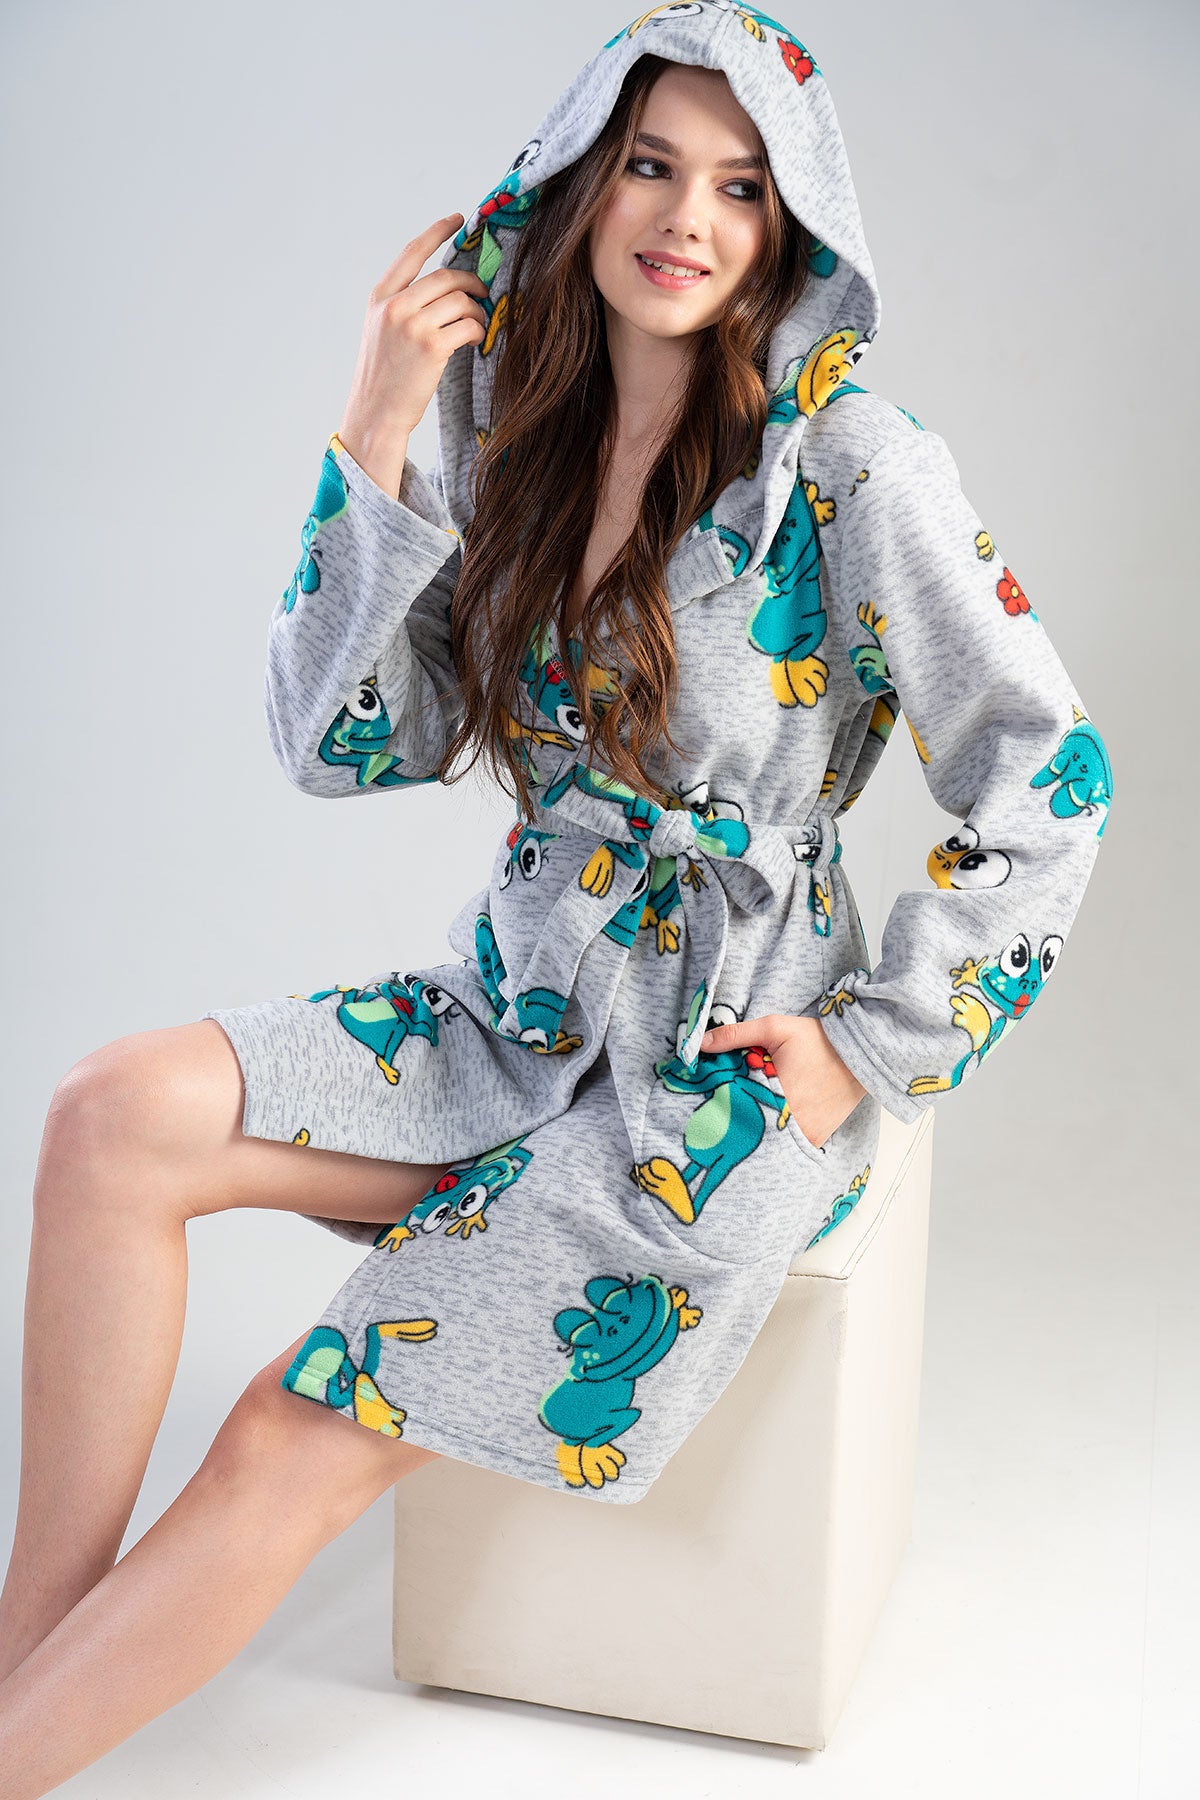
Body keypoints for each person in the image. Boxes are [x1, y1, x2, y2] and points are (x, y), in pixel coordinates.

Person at [0, 4, 1113, 1788]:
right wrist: (373, 429)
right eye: (655, 166)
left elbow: (1052, 774)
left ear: (794, 229)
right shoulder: (504, 418)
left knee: (289, 1429)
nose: (688, 219)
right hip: (521, 1006)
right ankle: (30, 1669)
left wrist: (875, 1046)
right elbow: (340, 741)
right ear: (583, 183)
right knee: (105, 1116)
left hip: (715, 1084)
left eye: (743, 188)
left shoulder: (855, 464)